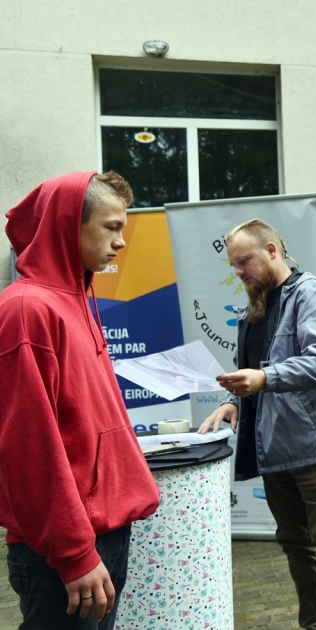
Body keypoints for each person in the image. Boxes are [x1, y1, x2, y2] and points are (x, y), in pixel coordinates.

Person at [197, 218, 316, 630]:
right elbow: (254, 368)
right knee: (297, 545)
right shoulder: (256, 304)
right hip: (276, 447)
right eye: (234, 265)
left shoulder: (309, 294)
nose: (239, 271)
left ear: (273, 251)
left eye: (245, 261)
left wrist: (264, 379)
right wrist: (232, 401)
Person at [0, 171, 161, 629]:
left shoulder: (76, 300)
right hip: (64, 550)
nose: (121, 242)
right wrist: (73, 555)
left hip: (102, 534)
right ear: (70, 223)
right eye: (111, 227)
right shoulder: (26, 311)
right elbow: (29, 450)